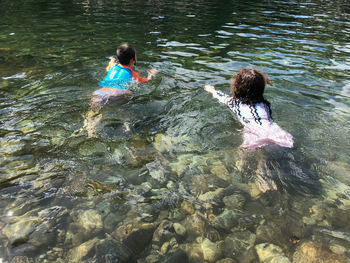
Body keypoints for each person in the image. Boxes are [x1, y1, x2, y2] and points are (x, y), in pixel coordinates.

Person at [204, 68, 293, 149]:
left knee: (241, 161)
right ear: (261, 88)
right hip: (275, 132)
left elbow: (221, 97)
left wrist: (212, 90)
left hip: (255, 134)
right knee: (264, 160)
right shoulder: (265, 103)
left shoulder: (235, 103)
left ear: (237, 86)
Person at [83, 44, 158, 137]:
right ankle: (126, 122)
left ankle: (87, 128)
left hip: (100, 92)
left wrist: (112, 60)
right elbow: (146, 80)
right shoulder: (133, 74)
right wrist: (151, 74)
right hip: (117, 94)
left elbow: (108, 67)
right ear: (132, 60)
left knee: (95, 111)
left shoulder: (113, 66)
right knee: (128, 99)